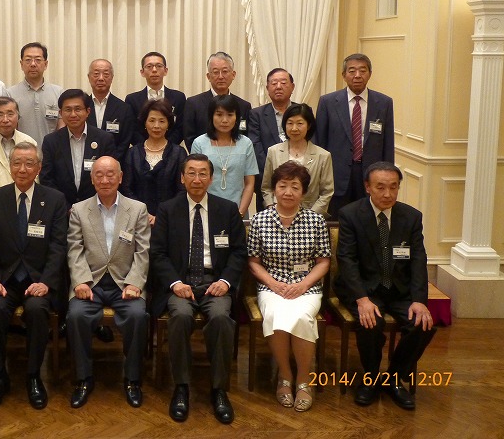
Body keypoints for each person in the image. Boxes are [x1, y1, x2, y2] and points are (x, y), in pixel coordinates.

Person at [150, 154, 247, 425]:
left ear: (211, 178)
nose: (197, 179)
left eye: (203, 173)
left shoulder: (227, 209)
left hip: (214, 282)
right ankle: (181, 387)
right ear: (182, 178)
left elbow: (239, 252)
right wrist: (175, 283)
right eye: (191, 173)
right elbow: (157, 254)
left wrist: (225, 281)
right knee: (180, 316)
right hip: (180, 283)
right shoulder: (168, 209)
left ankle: (219, 390)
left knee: (221, 318)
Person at [334, 162, 436, 410]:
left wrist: (419, 300)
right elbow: (347, 260)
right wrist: (361, 299)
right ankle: (370, 378)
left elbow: (418, 260)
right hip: (364, 289)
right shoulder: (350, 214)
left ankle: (394, 378)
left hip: (399, 290)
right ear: (368, 187)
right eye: (380, 187)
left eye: (393, 187)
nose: (388, 194)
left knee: (421, 324)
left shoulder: (411, 217)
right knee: (370, 322)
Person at [0, 142, 68, 411]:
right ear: (10, 167)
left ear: (38, 168)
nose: (22, 169)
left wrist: (46, 282)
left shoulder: (54, 199)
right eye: (17, 163)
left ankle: (33, 376)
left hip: (38, 280)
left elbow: (58, 247)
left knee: (37, 310)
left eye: (29, 163)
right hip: (4, 280)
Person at [66, 157, 151, 409]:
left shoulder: (138, 209)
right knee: (76, 316)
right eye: (99, 175)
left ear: (120, 177)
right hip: (90, 283)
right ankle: (83, 379)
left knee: (137, 316)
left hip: (125, 283)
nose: (105, 180)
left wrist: (135, 283)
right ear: (92, 179)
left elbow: (143, 251)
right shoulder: (79, 209)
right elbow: (74, 249)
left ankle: (132, 379)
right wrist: (80, 281)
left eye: (110, 174)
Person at [247, 161, 331, 412]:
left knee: (302, 317)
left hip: (307, 287)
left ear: (303, 192)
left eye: (295, 187)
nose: (288, 192)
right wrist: (273, 283)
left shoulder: (316, 221)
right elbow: (253, 262)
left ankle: (304, 379)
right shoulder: (260, 220)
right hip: (271, 286)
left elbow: (323, 261)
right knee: (275, 315)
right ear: (274, 189)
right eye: (282, 186)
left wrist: (303, 285)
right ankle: (285, 376)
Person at [314, 53, 394, 217]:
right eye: (352, 71)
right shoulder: (327, 102)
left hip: (371, 175)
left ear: (370, 74)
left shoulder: (384, 103)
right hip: (336, 175)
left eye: (362, 71)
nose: (357, 75)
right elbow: (319, 142)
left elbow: (387, 143)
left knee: (367, 219)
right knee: (337, 221)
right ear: (344, 75)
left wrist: (388, 176)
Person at [39, 88, 116, 211]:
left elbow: (109, 177)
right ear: (60, 113)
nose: (73, 114)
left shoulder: (104, 139)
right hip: (61, 210)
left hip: (96, 208)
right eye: (68, 110)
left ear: (88, 111)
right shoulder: (51, 141)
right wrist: (65, 207)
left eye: (78, 109)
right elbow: (46, 179)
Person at [190, 94, 258, 218]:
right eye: (219, 114)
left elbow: (249, 183)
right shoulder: (199, 143)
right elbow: (196, 181)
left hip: (238, 211)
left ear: (237, 117)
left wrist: (240, 213)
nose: (225, 120)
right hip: (206, 212)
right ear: (211, 116)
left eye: (230, 115)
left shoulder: (246, 143)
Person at [121, 99, 186, 225]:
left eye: (162, 121)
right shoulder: (132, 153)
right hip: (136, 219)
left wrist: (162, 215)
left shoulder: (179, 153)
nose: (156, 126)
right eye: (152, 120)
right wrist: (144, 214)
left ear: (168, 124)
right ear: (145, 123)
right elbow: (126, 188)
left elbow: (182, 189)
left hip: (170, 220)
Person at [261, 104, 334, 216]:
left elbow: (327, 192)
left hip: (310, 215)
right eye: (290, 123)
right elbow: (266, 187)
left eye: (300, 123)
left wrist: (311, 216)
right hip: (278, 214)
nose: (294, 128)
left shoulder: (323, 155)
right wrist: (272, 209)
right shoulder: (273, 151)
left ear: (308, 125)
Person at [248, 68, 296, 210]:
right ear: (267, 88)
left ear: (292, 87)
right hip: (267, 181)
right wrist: (272, 172)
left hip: (298, 179)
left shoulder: (303, 111)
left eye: (283, 83)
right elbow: (256, 146)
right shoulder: (256, 114)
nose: (278, 87)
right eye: (274, 83)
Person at [183, 52, 252, 151]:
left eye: (225, 71)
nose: (220, 76)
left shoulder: (244, 106)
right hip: (202, 157)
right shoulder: (193, 103)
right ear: (208, 76)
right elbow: (189, 137)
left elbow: (244, 135)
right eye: (215, 72)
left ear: (233, 75)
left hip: (236, 157)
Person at [7, 42, 63, 147]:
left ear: (46, 64)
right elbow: (9, 129)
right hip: (21, 152)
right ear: (21, 64)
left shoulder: (59, 92)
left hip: (52, 152)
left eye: (38, 60)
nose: (33, 64)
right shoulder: (10, 94)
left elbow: (62, 128)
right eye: (28, 60)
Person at [125, 52, 186, 146]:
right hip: (141, 150)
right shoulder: (132, 100)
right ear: (142, 72)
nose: (154, 70)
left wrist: (166, 147)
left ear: (165, 71)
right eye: (149, 66)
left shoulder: (179, 97)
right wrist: (147, 147)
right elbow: (131, 129)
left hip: (171, 150)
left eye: (159, 66)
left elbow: (181, 128)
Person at [87, 58, 136, 163]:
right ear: (89, 77)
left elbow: (125, 142)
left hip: (113, 165)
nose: (101, 78)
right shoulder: (82, 107)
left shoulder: (124, 108)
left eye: (106, 74)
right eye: (96, 74)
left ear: (112, 77)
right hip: (85, 164)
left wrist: (110, 163)